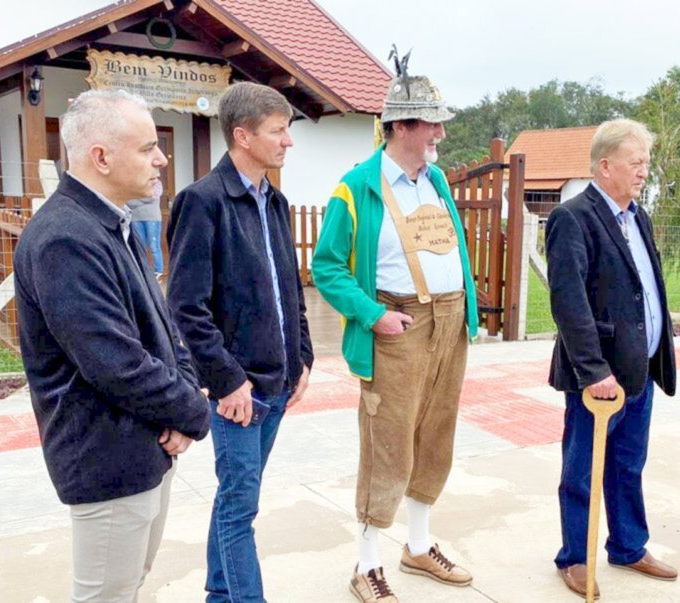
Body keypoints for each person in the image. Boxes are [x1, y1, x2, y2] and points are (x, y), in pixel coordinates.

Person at [13, 89, 210, 602]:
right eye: (148, 147)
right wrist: (192, 412)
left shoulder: (115, 225)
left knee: (128, 586)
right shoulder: (65, 237)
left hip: (146, 448)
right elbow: (115, 362)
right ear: (100, 156)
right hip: (107, 457)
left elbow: (165, 329)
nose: (162, 158)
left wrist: (186, 402)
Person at [311, 53, 478, 603]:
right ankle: (366, 563)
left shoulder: (434, 181)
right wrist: (372, 313)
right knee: (388, 443)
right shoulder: (355, 187)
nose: (442, 132)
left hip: (448, 324)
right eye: (432, 123)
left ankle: (419, 545)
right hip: (397, 326)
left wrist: (463, 316)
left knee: (436, 436)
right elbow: (326, 265)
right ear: (400, 127)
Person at [167, 81, 313, 603]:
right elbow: (186, 307)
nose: (288, 141)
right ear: (242, 135)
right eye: (278, 131)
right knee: (240, 509)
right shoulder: (202, 203)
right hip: (238, 393)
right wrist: (227, 382)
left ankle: (218, 594)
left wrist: (303, 359)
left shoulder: (275, 200)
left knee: (235, 500)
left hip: (276, 383)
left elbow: (289, 287)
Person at [545, 118, 678, 599]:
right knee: (583, 469)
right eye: (636, 162)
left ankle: (627, 546)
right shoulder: (573, 217)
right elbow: (568, 300)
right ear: (605, 166)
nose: (644, 171)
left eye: (646, 162)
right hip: (598, 378)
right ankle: (576, 558)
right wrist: (594, 370)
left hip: (638, 371)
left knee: (628, 464)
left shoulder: (636, 215)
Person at [127, 178, 165, 277]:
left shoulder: (157, 183)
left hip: (152, 218)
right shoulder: (132, 183)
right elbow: (128, 201)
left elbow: (152, 197)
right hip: (135, 218)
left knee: (154, 246)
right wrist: (143, 198)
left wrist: (137, 198)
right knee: (140, 246)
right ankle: (143, 270)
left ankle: (158, 271)